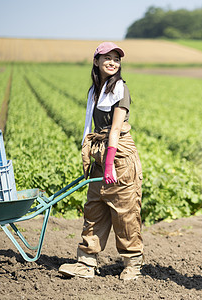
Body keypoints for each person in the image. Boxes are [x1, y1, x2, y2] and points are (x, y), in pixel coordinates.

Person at [58, 42, 144, 279]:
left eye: (116, 59)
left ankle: (132, 265)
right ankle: (86, 264)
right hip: (100, 152)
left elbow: (115, 128)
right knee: (94, 208)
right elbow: (89, 126)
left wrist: (108, 164)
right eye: (107, 57)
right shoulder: (95, 90)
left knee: (124, 211)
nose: (112, 62)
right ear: (96, 61)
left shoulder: (120, 89)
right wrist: (88, 156)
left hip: (120, 155)